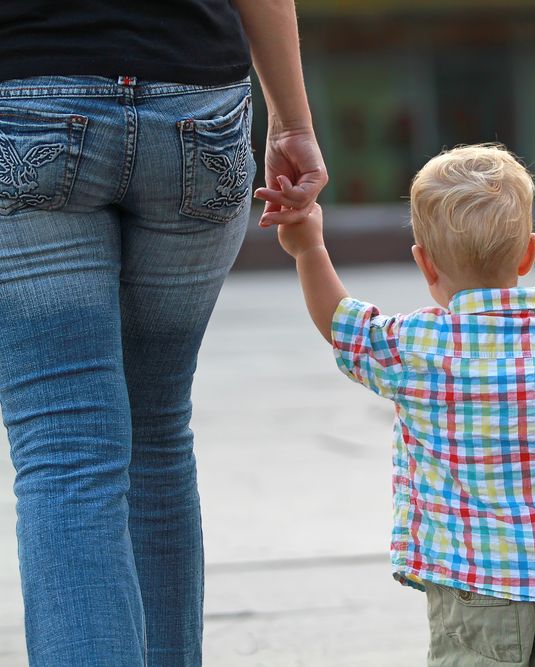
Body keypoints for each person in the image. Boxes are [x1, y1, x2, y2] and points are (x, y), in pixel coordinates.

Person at [266, 144, 535, 666]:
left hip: (475, 583)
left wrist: (308, 249)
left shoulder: (414, 347)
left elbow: (340, 324)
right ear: (528, 254)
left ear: (423, 263)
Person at [0, 1, 326, 664]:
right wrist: (291, 121)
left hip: (25, 92)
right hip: (195, 105)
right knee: (156, 431)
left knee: (68, 448)